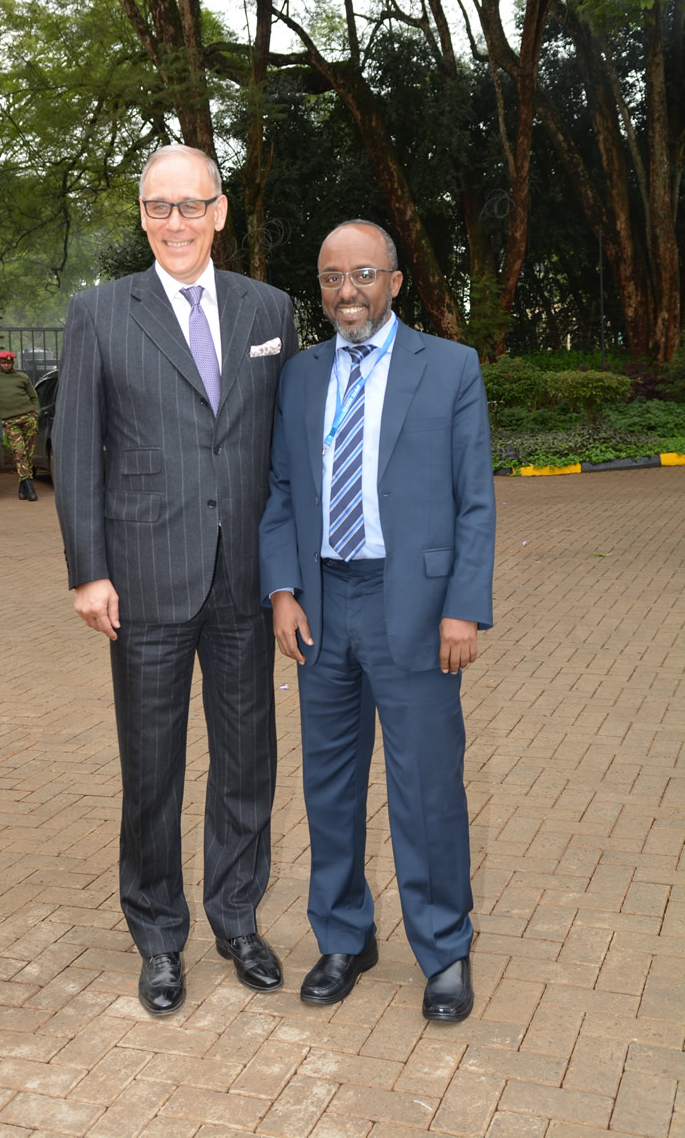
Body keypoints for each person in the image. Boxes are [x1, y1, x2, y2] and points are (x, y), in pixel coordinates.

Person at [53, 144, 298, 1017]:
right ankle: (159, 935)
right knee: (151, 770)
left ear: (219, 212)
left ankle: (237, 919)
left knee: (248, 764)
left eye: (191, 205)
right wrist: (90, 572)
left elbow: (286, 453)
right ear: (143, 215)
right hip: (146, 580)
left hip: (244, 582)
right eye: (159, 207)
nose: (175, 223)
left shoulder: (270, 309)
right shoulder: (99, 313)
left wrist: (288, 574)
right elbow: (75, 450)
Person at [259, 220, 496, 1021]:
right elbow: (281, 490)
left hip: (417, 609)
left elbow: (475, 500)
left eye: (363, 274)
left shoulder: (450, 367)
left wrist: (463, 607)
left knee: (426, 785)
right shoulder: (300, 375)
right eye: (332, 278)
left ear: (395, 281)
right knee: (328, 786)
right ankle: (343, 937)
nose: (347, 291)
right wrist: (282, 590)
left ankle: (445, 948)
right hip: (322, 606)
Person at [0, 351, 40, 499]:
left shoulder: (22, 377)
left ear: (13, 363)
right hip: (10, 421)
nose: (6, 365)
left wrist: (36, 414)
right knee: (19, 452)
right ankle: (29, 487)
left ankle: (23, 485)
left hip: (28, 418)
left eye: (9, 363)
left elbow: (33, 397)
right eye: (3, 363)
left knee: (29, 453)